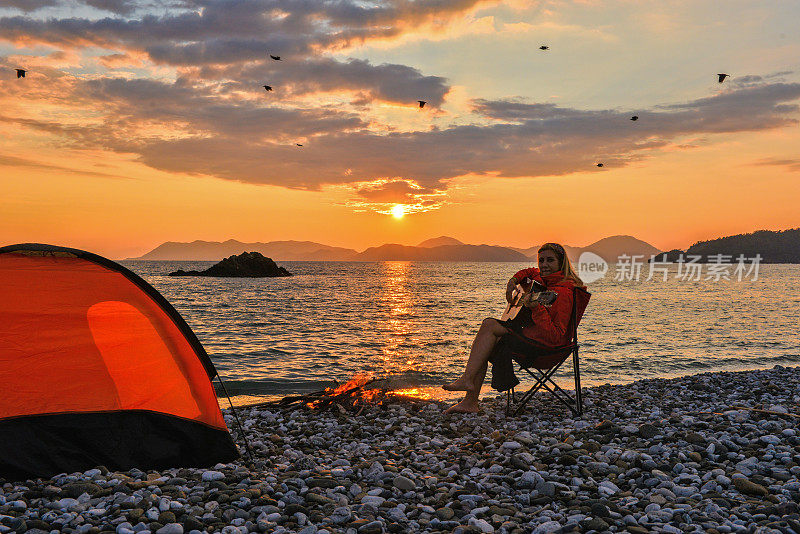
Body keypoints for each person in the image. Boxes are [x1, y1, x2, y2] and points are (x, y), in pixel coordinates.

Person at [442, 242, 585, 414]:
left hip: (548, 348)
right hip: (533, 337)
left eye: (550, 260)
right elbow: (531, 272)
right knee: (488, 336)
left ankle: (469, 394)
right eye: (541, 260)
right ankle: (469, 396)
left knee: (489, 329)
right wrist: (513, 281)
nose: (544, 265)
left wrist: (535, 308)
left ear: (561, 263)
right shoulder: (547, 281)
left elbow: (555, 336)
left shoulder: (564, 293)